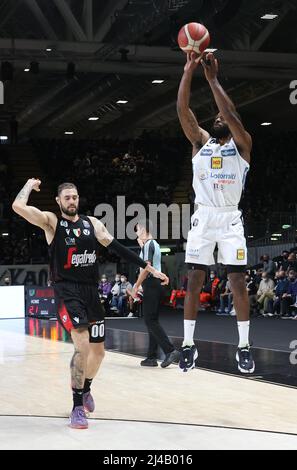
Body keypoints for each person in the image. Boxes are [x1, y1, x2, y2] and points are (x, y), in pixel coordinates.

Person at [12, 179, 168, 429]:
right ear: (58, 201)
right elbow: (18, 206)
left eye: (74, 197)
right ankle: (76, 408)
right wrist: (29, 185)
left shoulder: (91, 223)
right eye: (67, 198)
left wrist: (148, 268)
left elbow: (116, 247)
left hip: (90, 292)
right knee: (82, 345)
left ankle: (86, 389)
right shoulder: (52, 222)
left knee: (99, 352)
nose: (72, 201)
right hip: (66, 291)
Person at [177, 51, 254, 374]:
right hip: (204, 216)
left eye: (223, 117)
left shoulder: (243, 144)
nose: (219, 118)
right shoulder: (201, 143)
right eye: (217, 118)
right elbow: (183, 110)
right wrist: (187, 72)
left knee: (237, 280)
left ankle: (244, 346)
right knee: (194, 279)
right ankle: (187, 345)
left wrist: (212, 80)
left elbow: (230, 114)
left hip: (229, 217)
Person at [132, 219, 180, 368]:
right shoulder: (154, 244)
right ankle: (151, 357)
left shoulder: (148, 245)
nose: (136, 232)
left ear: (145, 229)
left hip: (151, 284)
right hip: (155, 285)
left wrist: (136, 286)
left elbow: (147, 268)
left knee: (150, 320)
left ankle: (170, 350)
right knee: (152, 320)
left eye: (138, 229)